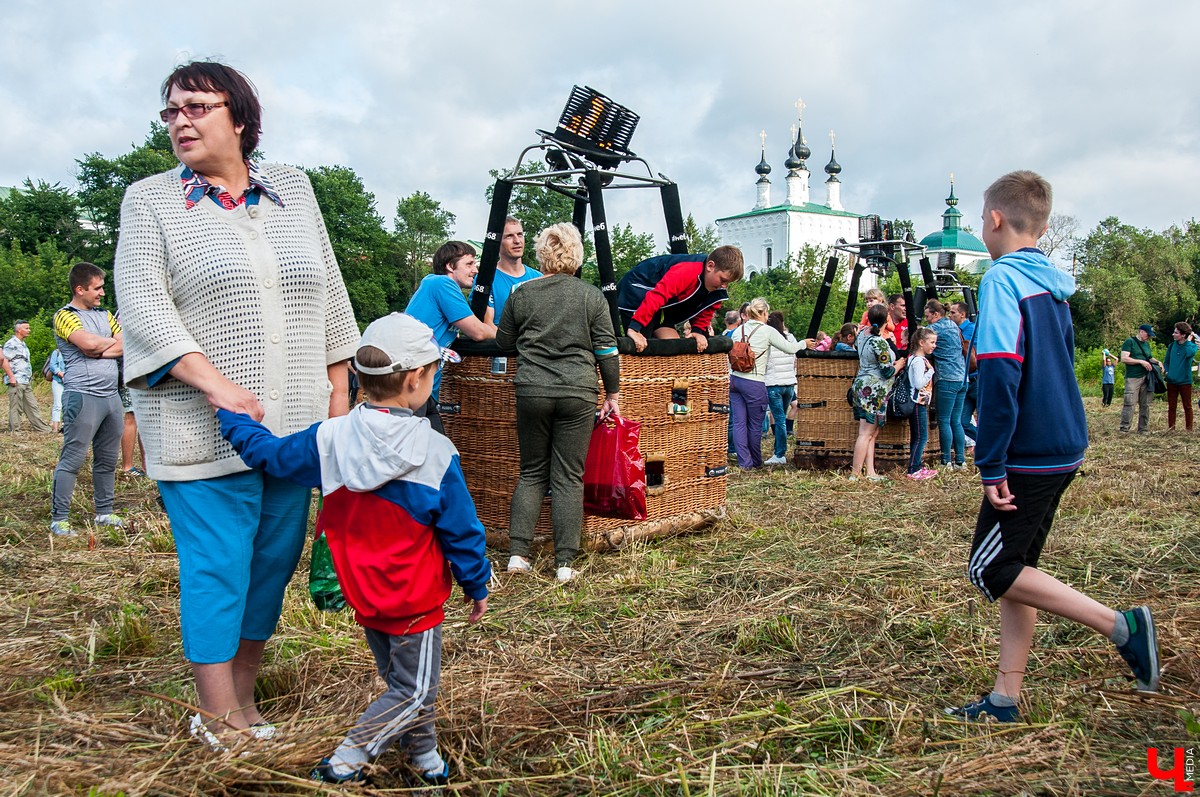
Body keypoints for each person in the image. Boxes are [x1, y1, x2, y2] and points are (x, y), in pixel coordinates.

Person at [114, 61, 360, 747]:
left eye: (195, 107)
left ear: (241, 118)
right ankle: (216, 714)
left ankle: (245, 702)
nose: (179, 122)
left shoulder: (297, 191)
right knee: (219, 563)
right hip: (204, 427)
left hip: (296, 428)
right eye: (170, 112)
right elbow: (142, 306)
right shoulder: (151, 201)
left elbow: (331, 296)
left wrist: (339, 398)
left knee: (272, 566)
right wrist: (216, 385)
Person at [218, 312, 490, 786]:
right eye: (432, 372)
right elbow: (461, 531)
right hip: (415, 598)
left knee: (403, 685)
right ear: (413, 379)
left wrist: (233, 416)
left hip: (363, 590)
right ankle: (347, 758)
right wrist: (476, 582)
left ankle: (423, 754)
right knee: (414, 688)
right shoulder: (435, 452)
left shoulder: (332, 437)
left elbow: (270, 455)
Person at [947, 170, 1158, 723]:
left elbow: (999, 373)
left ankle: (1122, 626)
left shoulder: (1000, 281)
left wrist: (990, 459)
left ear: (994, 219)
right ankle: (1003, 699)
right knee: (1019, 569)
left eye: (981, 217)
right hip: (1064, 440)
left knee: (989, 571)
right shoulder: (1052, 283)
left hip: (1027, 450)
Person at [497, 223, 620, 582]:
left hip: (532, 390)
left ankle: (518, 555)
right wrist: (612, 393)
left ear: (542, 254)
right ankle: (565, 563)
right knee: (568, 475)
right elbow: (607, 352)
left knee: (532, 471)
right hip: (578, 392)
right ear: (577, 255)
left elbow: (505, 342)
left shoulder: (522, 292)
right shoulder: (591, 296)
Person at [51, 264, 125, 536]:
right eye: (97, 288)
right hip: (82, 396)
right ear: (79, 289)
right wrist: (102, 345)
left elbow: (124, 343)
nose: (102, 293)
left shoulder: (105, 315)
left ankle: (104, 513)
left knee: (107, 460)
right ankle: (59, 518)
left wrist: (98, 349)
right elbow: (88, 344)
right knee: (73, 458)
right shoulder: (64, 316)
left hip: (111, 397)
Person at [405, 240, 497, 402]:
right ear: (450, 266)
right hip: (410, 390)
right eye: (469, 264)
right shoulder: (442, 283)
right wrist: (508, 334)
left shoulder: (440, 288)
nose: (475, 270)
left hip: (425, 392)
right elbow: (478, 332)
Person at [730, 298, 811, 469]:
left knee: (739, 422)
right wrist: (804, 343)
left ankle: (744, 462)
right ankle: (756, 460)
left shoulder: (738, 330)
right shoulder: (767, 331)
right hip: (754, 381)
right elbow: (789, 348)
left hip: (735, 380)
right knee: (755, 424)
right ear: (764, 313)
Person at [617, 247, 744, 353]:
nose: (724, 286)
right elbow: (657, 296)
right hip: (638, 293)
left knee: (676, 349)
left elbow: (707, 308)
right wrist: (634, 328)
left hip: (664, 307)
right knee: (641, 346)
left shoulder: (716, 288)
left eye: (728, 283)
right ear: (710, 266)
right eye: (723, 280)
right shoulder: (687, 271)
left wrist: (697, 331)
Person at [849, 303, 906, 480]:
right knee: (866, 433)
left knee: (870, 433)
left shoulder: (862, 336)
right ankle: (855, 474)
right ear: (886, 319)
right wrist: (899, 365)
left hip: (861, 385)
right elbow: (887, 371)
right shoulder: (879, 342)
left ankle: (871, 471)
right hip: (874, 390)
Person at [925, 300, 968, 470]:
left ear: (936, 314)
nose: (927, 319)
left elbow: (921, 342)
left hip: (947, 378)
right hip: (962, 378)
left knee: (944, 420)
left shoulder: (935, 330)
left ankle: (945, 460)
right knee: (956, 421)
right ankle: (960, 460)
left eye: (928, 316)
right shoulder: (953, 325)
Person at [484, 217, 541, 323]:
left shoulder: (538, 277)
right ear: (498, 241)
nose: (517, 241)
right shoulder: (486, 279)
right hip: (498, 338)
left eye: (520, 234)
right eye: (509, 236)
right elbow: (487, 326)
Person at [763, 311, 799, 466]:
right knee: (782, 419)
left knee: (779, 420)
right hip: (789, 383)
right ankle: (778, 449)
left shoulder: (768, 337)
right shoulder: (790, 338)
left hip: (774, 383)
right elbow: (795, 358)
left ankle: (780, 453)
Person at [4, 320, 52, 433]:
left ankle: (43, 429)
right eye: (26, 328)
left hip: (25, 380)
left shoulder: (23, 344)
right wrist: (11, 377)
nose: (29, 330)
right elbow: (4, 361)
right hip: (16, 379)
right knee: (16, 406)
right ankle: (15, 430)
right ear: (19, 330)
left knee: (32, 405)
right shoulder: (11, 344)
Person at [905, 326, 938, 480]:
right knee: (921, 437)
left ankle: (916, 465)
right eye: (931, 342)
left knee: (917, 436)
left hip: (919, 403)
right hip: (918, 403)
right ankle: (913, 468)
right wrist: (930, 372)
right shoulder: (918, 361)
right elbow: (918, 383)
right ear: (921, 342)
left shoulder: (914, 358)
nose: (934, 346)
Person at [1119, 323, 1161, 433]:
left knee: (1145, 404)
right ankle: (1124, 428)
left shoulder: (1146, 344)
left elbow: (1149, 357)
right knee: (1130, 403)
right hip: (1133, 377)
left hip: (1147, 377)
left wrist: (1157, 362)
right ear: (1141, 331)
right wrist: (1140, 362)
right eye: (1148, 334)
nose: (1149, 337)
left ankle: (1143, 428)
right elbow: (1124, 358)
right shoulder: (1130, 342)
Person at [949, 301, 978, 452]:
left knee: (986, 419)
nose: (950, 315)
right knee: (962, 421)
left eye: (953, 312)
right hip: (965, 381)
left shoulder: (972, 329)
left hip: (978, 380)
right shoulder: (953, 330)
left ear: (962, 314)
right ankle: (985, 442)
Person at [1164, 321, 1199, 431]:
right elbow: (1166, 361)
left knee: (1187, 406)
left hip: (1185, 381)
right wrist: (1167, 372)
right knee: (1171, 406)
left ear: (1183, 335)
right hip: (1171, 381)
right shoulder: (1171, 346)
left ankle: (1189, 429)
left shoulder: (1192, 346)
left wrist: (1187, 342)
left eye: (1176, 333)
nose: (1173, 334)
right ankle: (1171, 428)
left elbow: (1189, 353)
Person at [47, 347, 66, 433]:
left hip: (70, 381)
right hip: (57, 381)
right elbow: (52, 365)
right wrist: (60, 373)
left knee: (67, 405)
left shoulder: (75, 351)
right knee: (58, 404)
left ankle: (64, 426)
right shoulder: (57, 352)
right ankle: (55, 428)